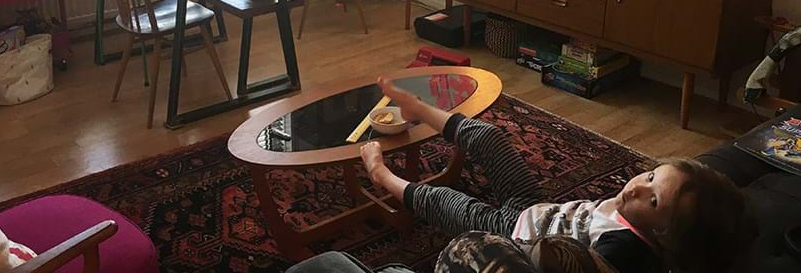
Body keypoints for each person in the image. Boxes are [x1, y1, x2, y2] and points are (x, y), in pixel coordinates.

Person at [289, 77, 757, 273]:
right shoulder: (642, 218)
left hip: (515, 232)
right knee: (492, 141)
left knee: (457, 207)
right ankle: (419, 108)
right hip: (540, 210)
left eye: (654, 200)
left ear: (666, 239)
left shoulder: (626, 253)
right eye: (653, 176)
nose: (638, 186)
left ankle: (383, 177)